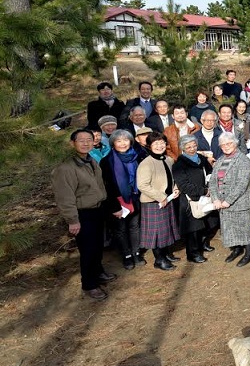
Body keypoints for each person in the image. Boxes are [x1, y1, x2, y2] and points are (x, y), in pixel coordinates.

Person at [52, 129, 120, 300]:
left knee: (97, 246)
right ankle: (89, 284)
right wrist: (73, 220)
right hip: (82, 214)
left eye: (88, 139)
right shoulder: (66, 167)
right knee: (88, 250)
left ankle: (98, 273)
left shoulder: (90, 160)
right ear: (72, 143)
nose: (85, 143)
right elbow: (65, 196)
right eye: (81, 140)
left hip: (96, 210)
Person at [100, 129, 146, 270]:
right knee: (120, 229)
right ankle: (126, 255)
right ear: (113, 143)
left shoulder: (137, 156)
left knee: (135, 226)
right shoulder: (107, 161)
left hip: (136, 196)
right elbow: (106, 185)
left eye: (125, 140)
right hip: (118, 200)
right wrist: (115, 206)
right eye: (118, 141)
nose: (123, 143)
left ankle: (136, 252)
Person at [209, 131, 250, 267]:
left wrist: (228, 200)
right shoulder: (220, 160)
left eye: (229, 143)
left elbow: (242, 183)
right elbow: (212, 181)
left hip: (238, 201)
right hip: (222, 202)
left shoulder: (242, 159)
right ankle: (236, 249)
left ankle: (249, 253)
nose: (226, 146)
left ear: (235, 143)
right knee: (229, 229)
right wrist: (215, 199)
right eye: (223, 145)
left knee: (243, 229)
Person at [136, 132, 181, 271]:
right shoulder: (146, 163)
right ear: (149, 146)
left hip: (168, 199)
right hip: (154, 202)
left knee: (166, 229)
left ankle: (166, 254)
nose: (159, 146)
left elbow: (173, 177)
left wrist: (175, 187)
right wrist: (160, 196)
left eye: (162, 142)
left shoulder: (168, 160)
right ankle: (159, 260)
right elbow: (142, 185)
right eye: (156, 143)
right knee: (156, 233)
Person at [171, 135, 214, 264]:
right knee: (193, 228)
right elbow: (184, 184)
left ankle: (202, 245)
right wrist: (203, 191)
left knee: (205, 223)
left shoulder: (200, 158)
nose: (192, 149)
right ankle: (193, 253)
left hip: (204, 196)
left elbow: (210, 172)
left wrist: (209, 187)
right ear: (182, 148)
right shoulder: (179, 164)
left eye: (194, 145)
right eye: (188, 147)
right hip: (190, 199)